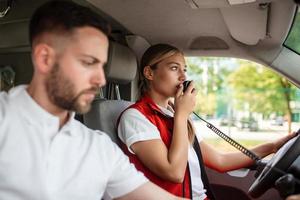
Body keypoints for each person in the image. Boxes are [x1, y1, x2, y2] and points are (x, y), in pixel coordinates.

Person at [0, 2, 187, 200]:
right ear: (45, 58)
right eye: (89, 63)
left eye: (102, 66)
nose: (101, 79)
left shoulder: (98, 147)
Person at [117, 43, 297, 199]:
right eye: (174, 68)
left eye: (184, 69)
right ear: (149, 73)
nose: (183, 77)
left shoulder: (173, 114)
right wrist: (182, 116)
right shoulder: (135, 117)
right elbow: (174, 173)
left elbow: (220, 161)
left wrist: (273, 147)